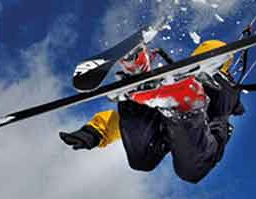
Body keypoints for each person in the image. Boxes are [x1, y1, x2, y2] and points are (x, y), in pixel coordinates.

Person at [59, 40, 245, 184]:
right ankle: (185, 106)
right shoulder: (226, 86)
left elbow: (120, 121)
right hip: (195, 118)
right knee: (192, 169)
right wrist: (236, 106)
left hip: (168, 107)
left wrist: (96, 131)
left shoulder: (178, 77)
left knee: (142, 159)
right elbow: (232, 107)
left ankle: (138, 72)